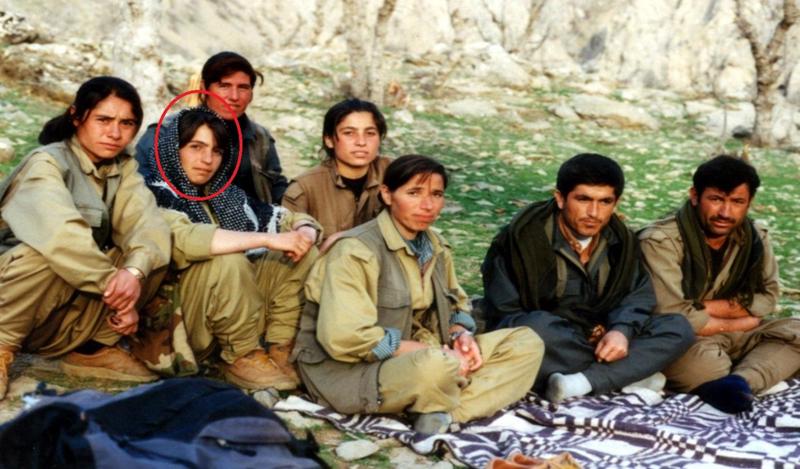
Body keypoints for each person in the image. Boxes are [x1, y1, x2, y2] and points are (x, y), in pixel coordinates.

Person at [292, 154, 542, 434]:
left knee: (527, 342)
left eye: (436, 194)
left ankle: (442, 412)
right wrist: (431, 353)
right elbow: (343, 338)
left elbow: (457, 302)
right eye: (414, 193)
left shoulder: (435, 245)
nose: (428, 205)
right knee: (436, 367)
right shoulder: (355, 250)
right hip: (352, 371)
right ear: (387, 194)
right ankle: (450, 397)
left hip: (429, 353)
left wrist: (461, 335)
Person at [0, 76, 171, 400]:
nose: (115, 133)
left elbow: (147, 226)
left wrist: (133, 274)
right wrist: (118, 291)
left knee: (148, 254)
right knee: (46, 254)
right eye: (103, 120)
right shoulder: (47, 163)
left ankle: (91, 348)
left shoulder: (123, 170)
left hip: (56, 316)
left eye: (126, 123)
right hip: (11, 297)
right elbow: (62, 236)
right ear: (77, 117)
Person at [482, 153, 695, 404]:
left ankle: (581, 381)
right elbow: (506, 312)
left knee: (677, 328)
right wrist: (577, 331)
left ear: (616, 203)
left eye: (605, 202)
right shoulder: (520, 239)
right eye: (583, 200)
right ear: (560, 198)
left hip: (604, 333)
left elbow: (637, 295)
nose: (594, 213)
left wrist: (621, 331)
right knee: (534, 329)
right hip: (553, 338)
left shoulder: (621, 241)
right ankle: (625, 375)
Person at [143, 107, 321, 389]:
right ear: (173, 150)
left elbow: (284, 217)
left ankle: (279, 346)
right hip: (178, 319)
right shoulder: (151, 193)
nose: (207, 160)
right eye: (196, 147)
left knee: (301, 254)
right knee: (228, 260)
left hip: (227, 309)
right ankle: (242, 355)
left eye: (216, 151)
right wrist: (265, 239)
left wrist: (304, 231)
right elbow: (185, 239)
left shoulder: (224, 194)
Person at [639, 155, 800, 413]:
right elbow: (672, 314)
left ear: (749, 202)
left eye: (737, 202)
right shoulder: (660, 241)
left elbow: (768, 297)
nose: (725, 212)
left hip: (731, 332)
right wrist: (740, 322)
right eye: (716, 200)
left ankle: (740, 382)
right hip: (684, 337)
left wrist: (706, 307)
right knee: (704, 368)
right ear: (695, 196)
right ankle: (748, 376)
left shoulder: (755, 237)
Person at [136, 51, 288, 204]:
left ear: (251, 94)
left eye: (243, 88)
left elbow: (276, 188)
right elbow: (140, 192)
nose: (234, 96)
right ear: (204, 88)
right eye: (224, 86)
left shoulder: (260, 139)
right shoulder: (165, 133)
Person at [282, 98, 391, 250]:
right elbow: (289, 251)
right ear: (329, 140)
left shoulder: (397, 174)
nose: (361, 142)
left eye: (370, 133)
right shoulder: (304, 189)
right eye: (349, 133)